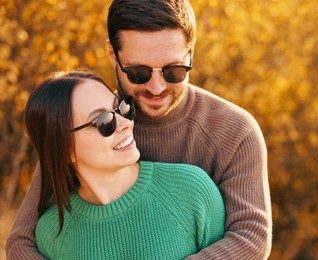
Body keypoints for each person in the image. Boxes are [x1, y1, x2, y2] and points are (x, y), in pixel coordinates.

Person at [6, 0, 272, 259]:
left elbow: (251, 236)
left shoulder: (235, 131)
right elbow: (22, 242)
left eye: (174, 70)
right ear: (113, 54)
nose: (157, 88)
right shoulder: (85, 125)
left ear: (191, 51)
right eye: (139, 73)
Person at [23, 70, 226, 259]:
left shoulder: (190, 191)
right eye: (103, 121)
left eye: (122, 108)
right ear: (65, 148)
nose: (125, 123)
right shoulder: (52, 234)